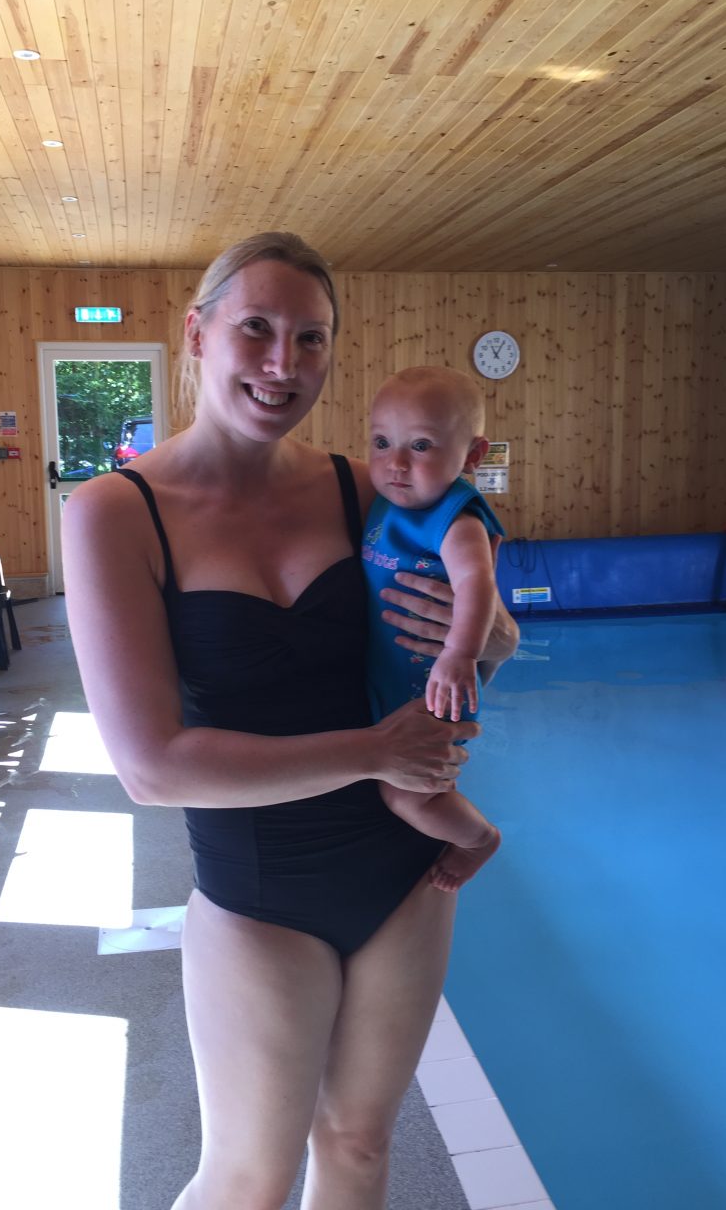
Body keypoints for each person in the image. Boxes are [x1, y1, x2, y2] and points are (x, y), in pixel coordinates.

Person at [62, 232, 520, 1210]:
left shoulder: (367, 486)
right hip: (257, 889)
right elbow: (152, 768)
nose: (284, 364)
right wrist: (372, 750)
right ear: (197, 333)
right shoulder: (117, 510)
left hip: (406, 870)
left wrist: (479, 639)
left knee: (358, 1146)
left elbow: (491, 636)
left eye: (310, 339)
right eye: (257, 329)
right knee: (247, 1175)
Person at [365, 366, 505, 892]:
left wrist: (460, 654)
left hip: (438, 685)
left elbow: (476, 583)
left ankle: (478, 840)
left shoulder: (457, 517)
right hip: (394, 679)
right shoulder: (387, 499)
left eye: (420, 446)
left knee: (406, 794)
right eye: (382, 442)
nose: (396, 464)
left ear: (472, 455)